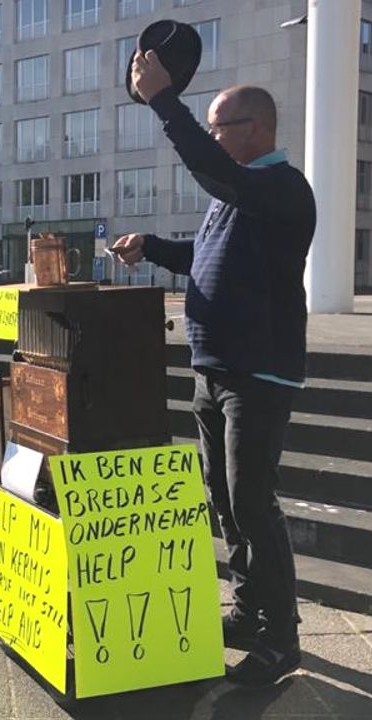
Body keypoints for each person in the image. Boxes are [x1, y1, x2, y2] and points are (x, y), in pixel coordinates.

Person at [112, 50, 317, 686]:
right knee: (224, 502)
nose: (212, 136)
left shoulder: (281, 188)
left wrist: (163, 102)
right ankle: (248, 610)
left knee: (253, 504)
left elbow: (214, 172)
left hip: (257, 373)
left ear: (256, 129)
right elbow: (202, 256)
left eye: (218, 127)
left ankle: (282, 639)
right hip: (214, 368)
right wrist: (151, 247)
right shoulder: (238, 195)